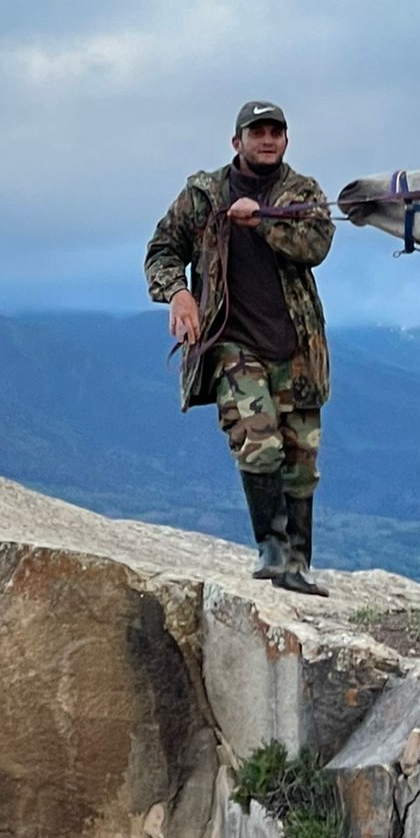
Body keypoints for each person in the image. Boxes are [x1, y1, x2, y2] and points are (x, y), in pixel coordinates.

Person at [144, 100, 334, 595]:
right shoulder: (204, 194)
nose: (267, 140)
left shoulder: (303, 192)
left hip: (296, 346)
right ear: (237, 142)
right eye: (257, 132)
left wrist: (263, 222)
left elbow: (316, 244)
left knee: (301, 460)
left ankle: (297, 564)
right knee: (259, 442)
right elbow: (162, 250)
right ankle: (271, 547)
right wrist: (178, 293)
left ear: (286, 140)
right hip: (232, 341)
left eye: (275, 132)